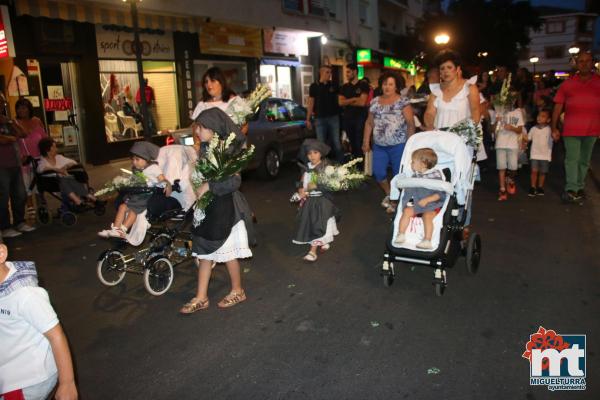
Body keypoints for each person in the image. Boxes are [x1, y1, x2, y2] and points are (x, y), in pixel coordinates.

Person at [181, 108, 254, 314]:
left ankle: (238, 290)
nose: (197, 131)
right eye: (197, 126)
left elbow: (234, 181)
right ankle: (201, 297)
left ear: (214, 130)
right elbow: (202, 177)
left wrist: (210, 187)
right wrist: (198, 184)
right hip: (209, 208)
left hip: (225, 209)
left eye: (201, 127)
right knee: (205, 249)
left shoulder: (228, 150)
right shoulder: (205, 148)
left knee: (226, 251)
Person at [0, 244, 78, 400]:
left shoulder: (25, 295)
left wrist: (67, 383)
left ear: (1, 253)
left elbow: (56, 336)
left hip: (26, 380)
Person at [363, 71, 415, 213]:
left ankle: (396, 199)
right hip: (379, 146)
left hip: (399, 145)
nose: (387, 87)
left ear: (396, 86)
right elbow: (369, 123)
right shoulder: (374, 102)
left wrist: (410, 145)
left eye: (391, 84)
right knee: (378, 173)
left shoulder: (403, 102)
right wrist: (366, 141)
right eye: (385, 84)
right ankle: (390, 193)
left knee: (399, 174)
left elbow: (410, 123)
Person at [551, 51, 600, 203]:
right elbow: (558, 106)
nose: (584, 64)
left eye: (587, 61)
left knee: (584, 160)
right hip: (571, 129)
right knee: (572, 159)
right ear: (577, 64)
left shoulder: (598, 82)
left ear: (592, 63)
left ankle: (579, 186)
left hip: (592, 129)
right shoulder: (568, 84)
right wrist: (554, 127)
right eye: (581, 61)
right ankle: (571, 188)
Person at [98, 142, 171, 238]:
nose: (134, 162)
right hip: (137, 194)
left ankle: (123, 229)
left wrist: (166, 184)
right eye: (133, 160)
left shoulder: (153, 168)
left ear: (147, 159)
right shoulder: (137, 170)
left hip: (147, 195)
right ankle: (115, 229)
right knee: (122, 207)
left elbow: (162, 178)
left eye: (137, 159)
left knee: (133, 210)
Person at [293, 139, 339, 262]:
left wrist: (310, 189)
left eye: (315, 152)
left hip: (321, 201)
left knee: (318, 224)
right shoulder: (307, 167)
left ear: (321, 153)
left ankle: (312, 251)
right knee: (315, 222)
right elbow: (303, 180)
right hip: (310, 201)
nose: (312, 156)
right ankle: (324, 241)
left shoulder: (325, 167)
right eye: (309, 153)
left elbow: (323, 185)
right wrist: (301, 189)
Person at [394, 148, 446, 250]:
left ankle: (427, 240)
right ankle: (401, 234)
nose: (411, 164)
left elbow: (440, 194)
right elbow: (411, 189)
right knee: (407, 211)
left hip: (432, 205)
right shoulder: (415, 176)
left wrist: (427, 200)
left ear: (423, 164)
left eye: (413, 162)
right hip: (417, 204)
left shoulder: (435, 176)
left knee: (427, 216)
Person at [0, 112, 36, 239]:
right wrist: (10, 138)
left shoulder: (7, 121)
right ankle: (4, 227)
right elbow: (3, 139)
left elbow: (23, 134)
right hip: (1, 166)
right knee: (3, 197)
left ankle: (19, 222)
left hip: (15, 163)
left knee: (20, 194)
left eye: (2, 102)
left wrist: (12, 123)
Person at [37, 138, 98, 209]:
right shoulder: (43, 161)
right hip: (54, 183)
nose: (56, 149)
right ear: (48, 150)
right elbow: (40, 169)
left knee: (77, 174)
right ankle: (82, 200)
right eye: (54, 147)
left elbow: (73, 162)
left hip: (67, 180)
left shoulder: (59, 157)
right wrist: (56, 169)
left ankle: (85, 199)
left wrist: (65, 166)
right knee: (64, 180)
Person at [306, 65, 343, 162]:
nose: (329, 74)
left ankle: (341, 165)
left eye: (330, 72)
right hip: (320, 118)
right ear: (321, 73)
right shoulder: (314, 86)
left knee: (336, 142)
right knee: (320, 144)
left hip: (333, 117)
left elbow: (340, 99)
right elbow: (311, 102)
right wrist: (308, 118)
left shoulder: (333, 85)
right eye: (327, 72)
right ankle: (322, 167)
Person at [14, 98, 47, 196]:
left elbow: (45, 139)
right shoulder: (14, 123)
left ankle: (41, 204)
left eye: (23, 108)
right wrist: (19, 157)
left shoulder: (37, 121)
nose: (21, 110)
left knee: (40, 185)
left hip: (39, 159)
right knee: (26, 186)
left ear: (29, 109)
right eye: (18, 108)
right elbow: (13, 142)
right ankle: (30, 207)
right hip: (24, 160)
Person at [338, 63, 370, 158]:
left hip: (360, 118)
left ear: (355, 72)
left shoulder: (363, 85)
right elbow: (340, 102)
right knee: (352, 143)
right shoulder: (344, 87)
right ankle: (355, 164)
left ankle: (362, 165)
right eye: (346, 72)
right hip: (348, 119)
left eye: (348, 72)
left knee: (359, 142)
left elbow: (362, 102)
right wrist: (354, 99)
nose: (346, 74)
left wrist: (347, 101)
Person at [495, 98, 525, 201]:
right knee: (501, 167)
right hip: (500, 143)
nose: (507, 104)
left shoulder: (517, 113)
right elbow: (493, 129)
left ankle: (510, 179)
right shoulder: (498, 111)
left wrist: (511, 128)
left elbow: (520, 129)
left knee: (513, 167)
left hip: (512, 144)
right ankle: (502, 189)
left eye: (510, 101)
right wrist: (497, 122)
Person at [527, 109, 554, 196]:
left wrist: (556, 135)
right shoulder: (533, 129)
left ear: (548, 120)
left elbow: (556, 138)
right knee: (534, 171)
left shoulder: (550, 130)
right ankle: (533, 187)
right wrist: (523, 138)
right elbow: (528, 138)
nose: (539, 118)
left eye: (543, 116)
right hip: (534, 154)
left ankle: (540, 187)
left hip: (545, 155)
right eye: (539, 115)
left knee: (543, 172)